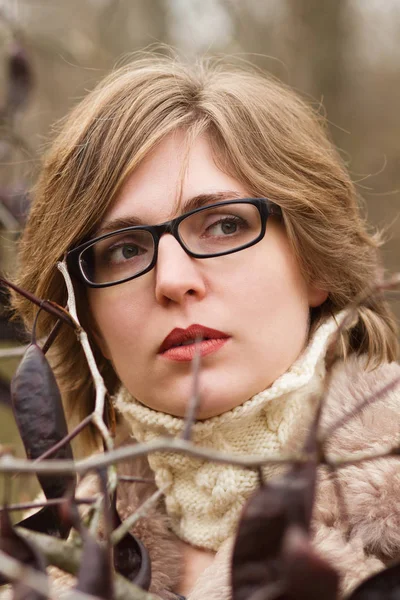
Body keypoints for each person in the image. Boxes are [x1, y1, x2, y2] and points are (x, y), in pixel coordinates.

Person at [10, 54, 400, 599]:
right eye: (124, 249)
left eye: (223, 224)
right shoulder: (35, 570)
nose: (172, 279)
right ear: (86, 318)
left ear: (315, 264)